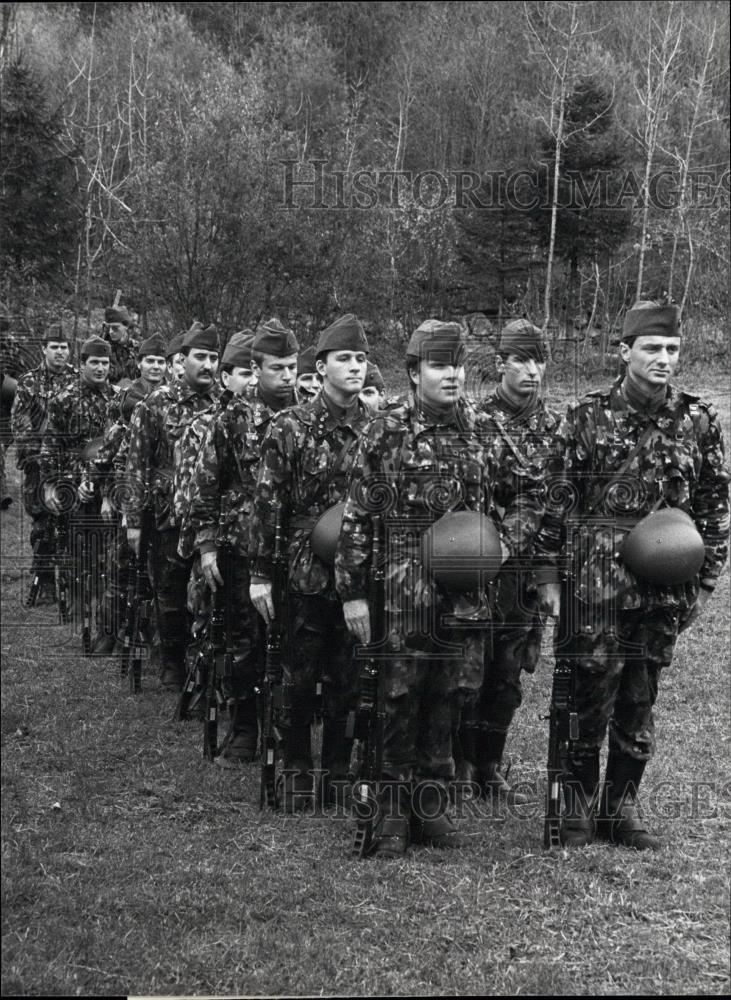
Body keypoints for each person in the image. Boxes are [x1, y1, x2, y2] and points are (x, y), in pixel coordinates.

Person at [334, 319, 550, 858]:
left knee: (452, 696)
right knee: (398, 697)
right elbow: (358, 516)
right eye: (439, 366)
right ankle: (389, 813)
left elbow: (528, 491)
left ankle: (430, 807)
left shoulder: (482, 429)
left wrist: (503, 545)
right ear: (413, 373)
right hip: (401, 593)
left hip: (466, 596)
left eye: (457, 365)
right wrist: (353, 592)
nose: (451, 375)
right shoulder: (386, 431)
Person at [540, 301, 729, 850]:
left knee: (639, 700)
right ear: (624, 352)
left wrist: (705, 581)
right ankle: (570, 805)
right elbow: (555, 502)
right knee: (583, 699)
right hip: (593, 588)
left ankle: (619, 805)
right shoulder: (584, 417)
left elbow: (714, 507)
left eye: (672, 349)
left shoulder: (697, 420)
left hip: (663, 590)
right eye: (652, 348)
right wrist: (549, 576)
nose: (664, 359)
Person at [249, 314, 372, 810]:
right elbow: (267, 503)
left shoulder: (378, 427)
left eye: (361, 359)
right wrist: (260, 574)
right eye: (344, 359)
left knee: (350, 676)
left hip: (358, 572)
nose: (355, 368)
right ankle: (297, 767)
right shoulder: (290, 426)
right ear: (320, 368)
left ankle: (339, 770)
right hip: (303, 570)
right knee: (298, 677)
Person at [458, 319, 562, 803]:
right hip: (479, 562)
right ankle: (458, 764)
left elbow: (557, 500)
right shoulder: (474, 420)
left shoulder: (556, 426)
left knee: (509, 672)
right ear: (501, 364)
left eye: (539, 360)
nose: (532, 370)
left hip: (525, 569)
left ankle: (489, 766)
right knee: (468, 668)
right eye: (522, 359)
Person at [192, 319, 299, 766]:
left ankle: (290, 733)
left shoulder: (306, 417)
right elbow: (206, 485)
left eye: (293, 367)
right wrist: (207, 544)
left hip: (295, 553)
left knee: (292, 644)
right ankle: (242, 729)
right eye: (278, 368)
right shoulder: (231, 419)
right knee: (244, 643)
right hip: (241, 547)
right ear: (257, 370)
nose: (289, 377)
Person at [125, 322, 220, 689]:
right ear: (183, 360)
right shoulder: (156, 403)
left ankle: (201, 667)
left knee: (203, 595)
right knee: (170, 592)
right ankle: (172, 664)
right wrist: (133, 520)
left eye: (214, 357)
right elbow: (136, 464)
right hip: (167, 514)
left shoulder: (221, 405)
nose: (208, 364)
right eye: (201, 357)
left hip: (209, 515)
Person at [40, 336, 116, 651]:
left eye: (105, 363)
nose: (100, 368)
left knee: (105, 560)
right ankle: (79, 618)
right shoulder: (63, 400)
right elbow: (50, 448)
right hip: (74, 490)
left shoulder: (117, 399)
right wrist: (53, 486)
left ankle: (101, 626)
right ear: (82, 364)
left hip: (108, 488)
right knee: (76, 559)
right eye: (94, 362)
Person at [93, 333, 168, 653]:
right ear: (139, 363)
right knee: (119, 566)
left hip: (161, 497)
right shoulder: (124, 398)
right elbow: (109, 454)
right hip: (129, 492)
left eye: (160, 361)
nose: (154, 366)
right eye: (149, 360)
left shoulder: (172, 398)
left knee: (155, 574)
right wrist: (110, 497)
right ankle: (108, 632)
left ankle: (149, 635)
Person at [10, 325, 76, 603]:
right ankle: (45, 580)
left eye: (64, 347)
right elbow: (19, 424)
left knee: (72, 523)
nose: (60, 351)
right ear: (44, 349)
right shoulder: (29, 382)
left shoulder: (78, 378)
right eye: (55, 346)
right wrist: (41, 453)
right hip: (38, 465)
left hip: (70, 463)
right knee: (42, 525)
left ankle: (71, 582)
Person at [102, 307, 140, 385]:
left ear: (126, 326)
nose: (111, 332)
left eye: (115, 328)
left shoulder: (137, 348)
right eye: (109, 328)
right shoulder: (103, 348)